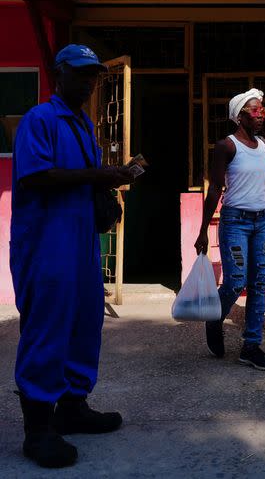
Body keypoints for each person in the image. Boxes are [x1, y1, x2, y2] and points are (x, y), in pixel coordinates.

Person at [11, 44, 134, 468]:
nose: (88, 82)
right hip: (46, 245)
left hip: (80, 244)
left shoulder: (83, 122)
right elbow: (37, 176)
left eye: (93, 76)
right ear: (58, 75)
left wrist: (105, 192)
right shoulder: (39, 119)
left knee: (84, 324)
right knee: (47, 329)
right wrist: (101, 174)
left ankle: (72, 407)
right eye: (80, 74)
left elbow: (83, 179)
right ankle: (38, 430)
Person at [195, 88, 265, 371]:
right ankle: (215, 316)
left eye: (263, 110)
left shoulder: (264, 146)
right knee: (235, 281)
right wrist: (203, 229)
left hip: (263, 221)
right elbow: (215, 187)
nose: (261, 116)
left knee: (257, 283)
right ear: (239, 116)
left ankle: (251, 346)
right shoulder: (226, 146)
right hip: (235, 221)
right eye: (255, 111)